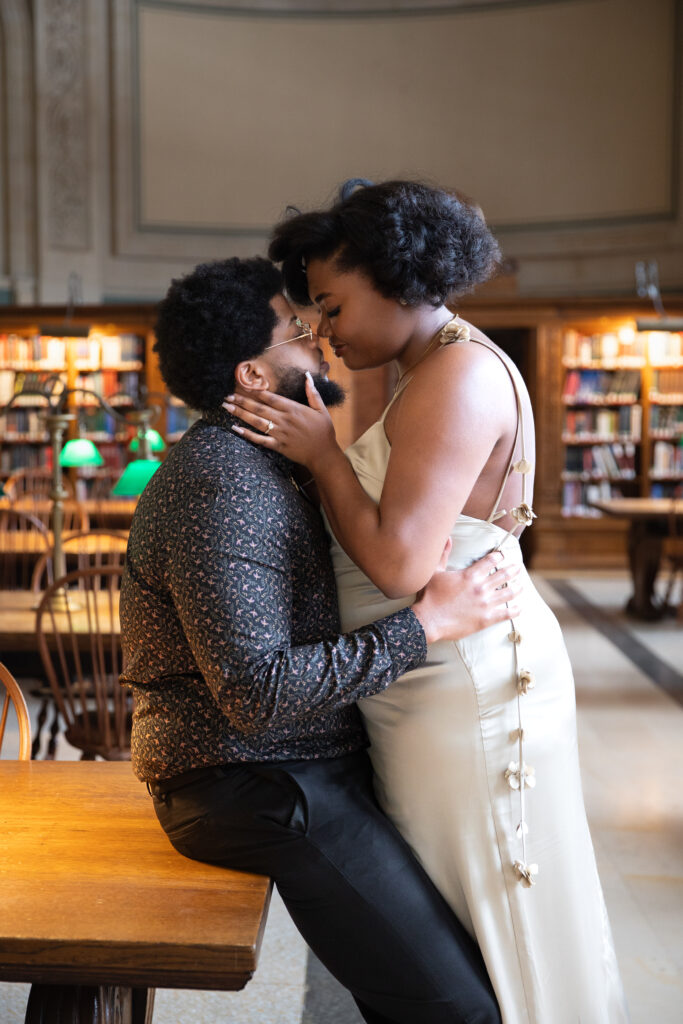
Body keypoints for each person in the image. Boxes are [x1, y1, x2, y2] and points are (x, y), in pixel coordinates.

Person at [225, 181, 630, 1024]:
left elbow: (402, 565)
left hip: (465, 686)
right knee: (443, 919)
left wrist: (325, 459)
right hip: (429, 674)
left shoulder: (454, 373)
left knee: (483, 903)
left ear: (397, 274)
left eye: (333, 308)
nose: (324, 333)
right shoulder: (431, 366)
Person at [119, 255, 526, 1024]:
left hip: (293, 767)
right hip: (255, 782)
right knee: (456, 1009)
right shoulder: (222, 480)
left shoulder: (266, 465)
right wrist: (425, 625)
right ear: (251, 374)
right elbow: (257, 694)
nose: (317, 340)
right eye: (296, 330)